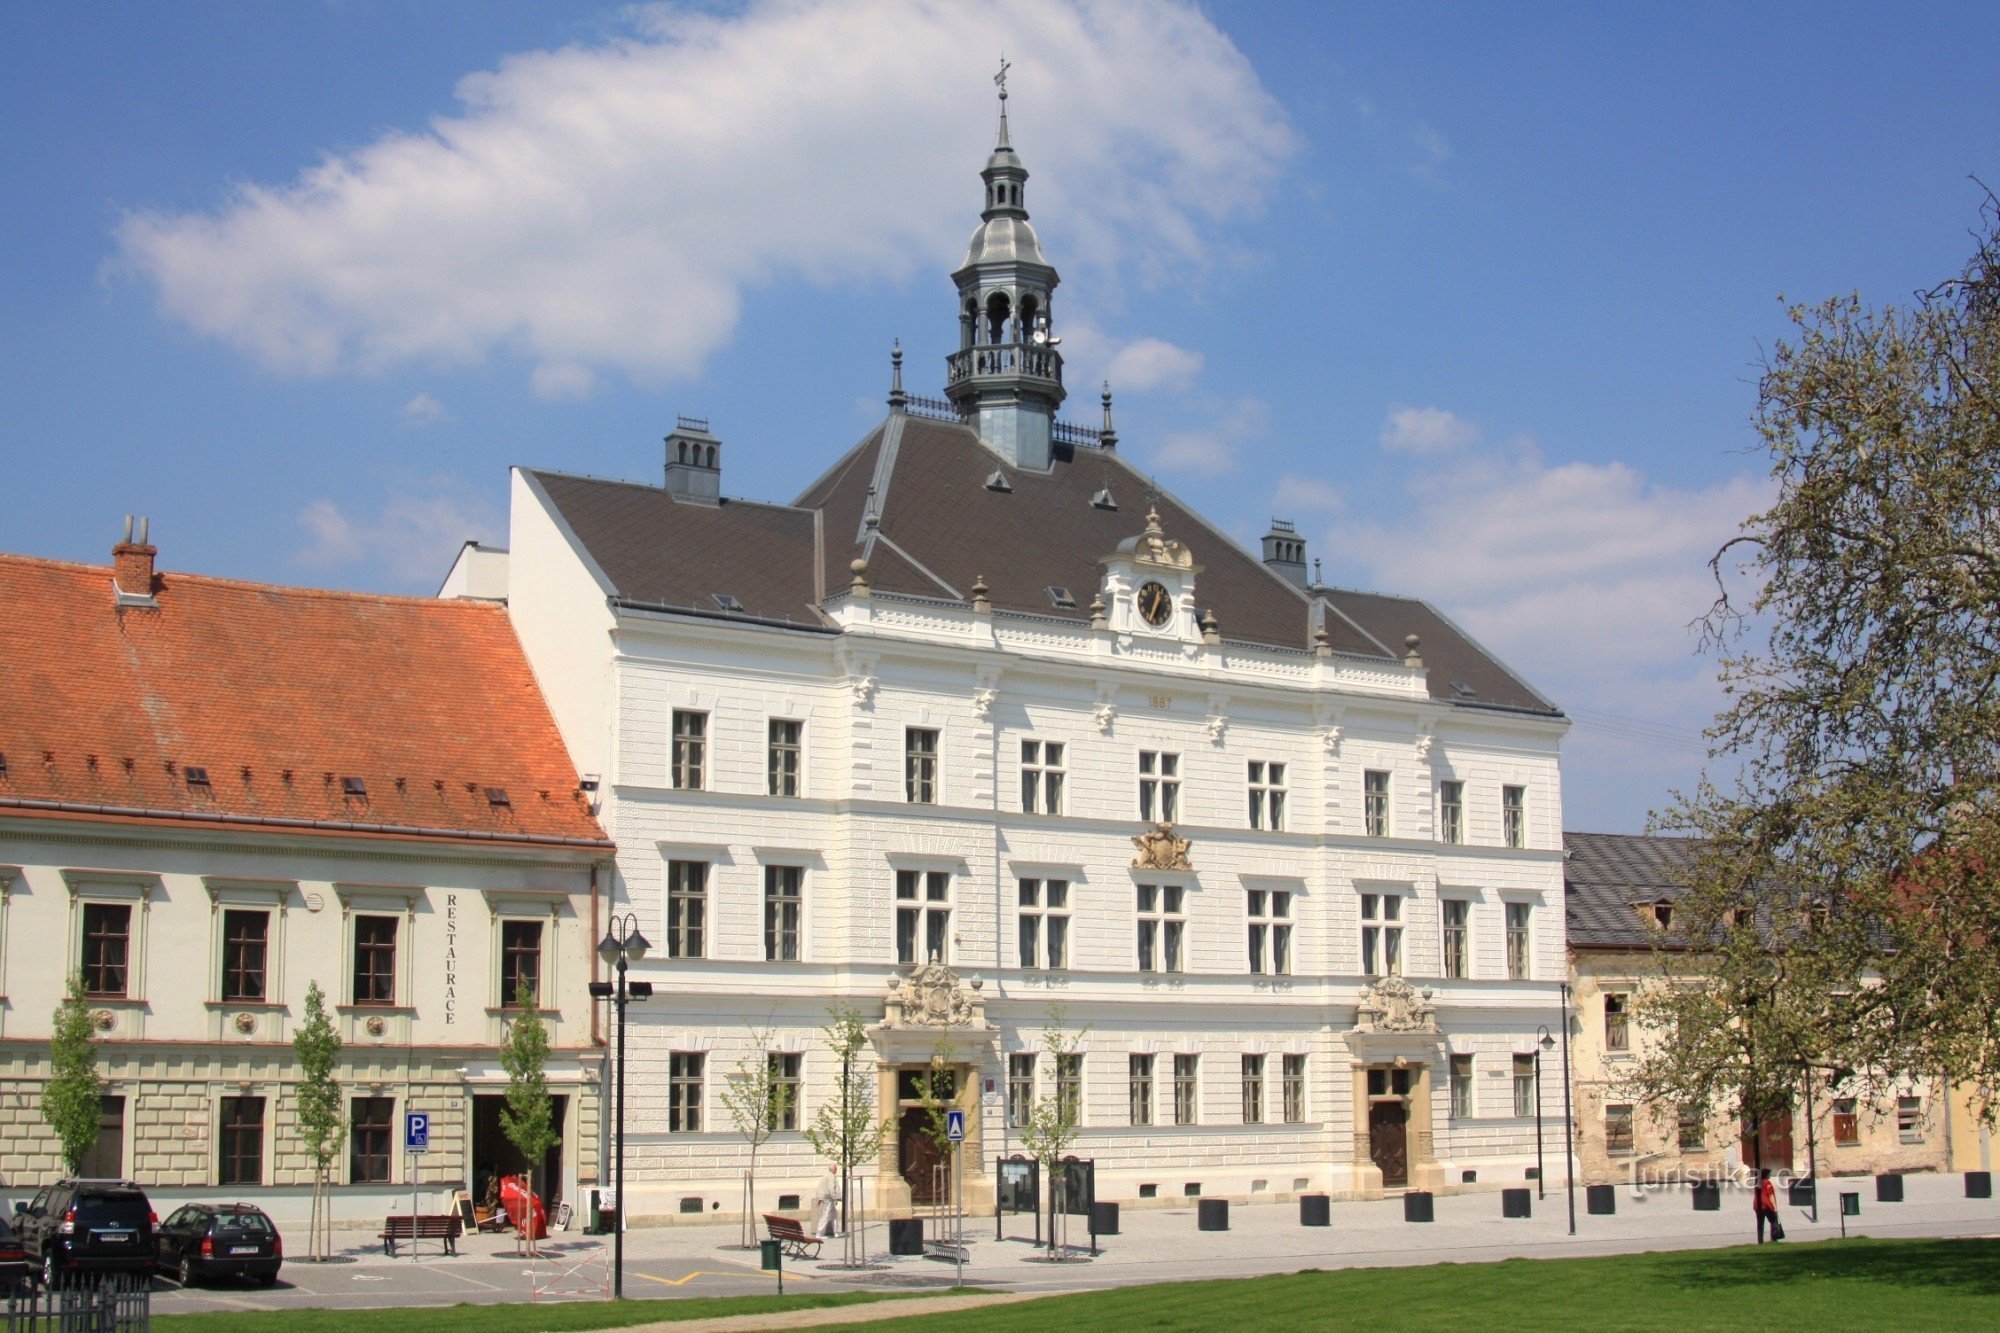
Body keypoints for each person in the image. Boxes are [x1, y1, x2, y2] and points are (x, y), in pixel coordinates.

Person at [813, 1164, 842, 1238]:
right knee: (825, 1215)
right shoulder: (831, 1176)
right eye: (836, 1169)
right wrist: (834, 1198)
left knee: (834, 1215)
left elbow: (820, 1187)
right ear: (833, 1169)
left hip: (826, 1198)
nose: (836, 1170)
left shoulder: (825, 1175)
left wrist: (818, 1197)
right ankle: (819, 1233)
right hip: (828, 1198)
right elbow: (831, 1188)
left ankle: (836, 1232)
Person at [1754, 1168, 1782, 1243]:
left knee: (1760, 1223)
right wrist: (1775, 1207)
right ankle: (1774, 1237)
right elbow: (1771, 1195)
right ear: (1766, 1174)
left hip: (1757, 1204)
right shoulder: (1767, 1182)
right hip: (1766, 1205)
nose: (1770, 1175)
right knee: (1773, 1221)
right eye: (1769, 1173)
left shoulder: (1757, 1182)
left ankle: (1760, 1240)